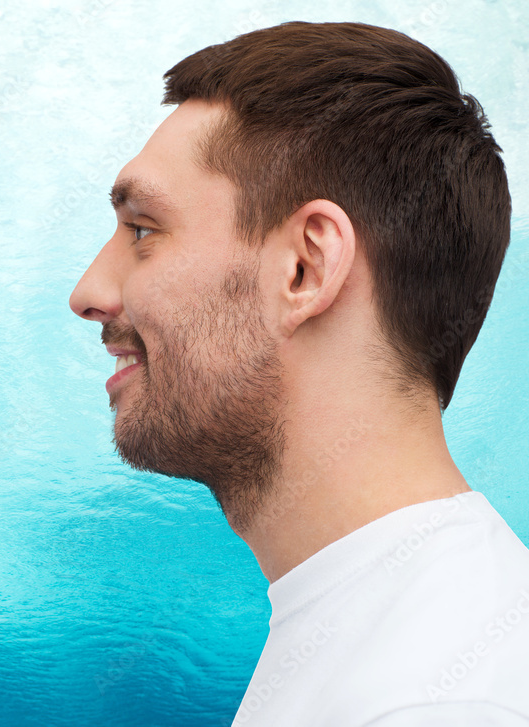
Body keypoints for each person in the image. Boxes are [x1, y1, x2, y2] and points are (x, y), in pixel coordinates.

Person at [68, 21, 529, 726]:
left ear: (304, 269)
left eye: (142, 231)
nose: (88, 292)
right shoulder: (378, 627)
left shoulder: (438, 698)